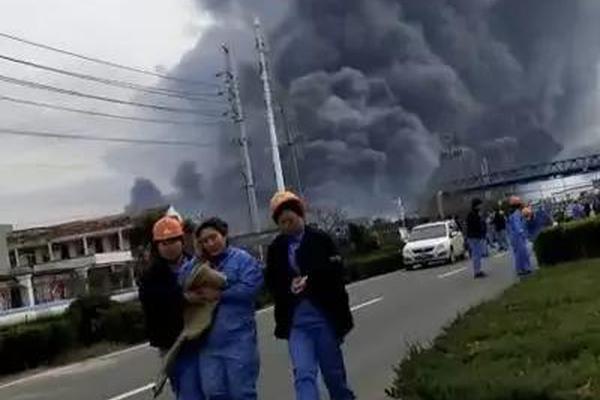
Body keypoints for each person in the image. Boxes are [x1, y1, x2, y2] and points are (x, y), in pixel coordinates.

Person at [266, 191, 355, 400]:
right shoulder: (277, 248)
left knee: (334, 376)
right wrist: (289, 285)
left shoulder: (321, 239)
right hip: (297, 324)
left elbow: (336, 271)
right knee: (303, 374)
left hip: (324, 318)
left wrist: (311, 280)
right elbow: (271, 280)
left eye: (291, 220)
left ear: (301, 216)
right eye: (282, 222)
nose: (287, 225)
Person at [195, 217, 264, 400]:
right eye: (204, 241)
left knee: (241, 393)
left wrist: (220, 294)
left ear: (224, 235)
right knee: (214, 393)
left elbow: (251, 288)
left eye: (213, 237)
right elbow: (183, 284)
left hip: (239, 341)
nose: (210, 244)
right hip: (207, 345)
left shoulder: (243, 259)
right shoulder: (199, 264)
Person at [138, 216, 205, 400]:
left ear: (182, 241)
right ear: (157, 246)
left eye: (173, 240)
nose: (169, 246)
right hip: (173, 343)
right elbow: (151, 301)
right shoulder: (151, 276)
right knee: (188, 392)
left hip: (203, 339)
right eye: (164, 242)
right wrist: (182, 298)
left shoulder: (198, 265)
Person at [507, 196, 533, 277]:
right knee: (522, 252)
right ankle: (523, 268)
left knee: (519, 253)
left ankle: (522, 268)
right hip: (517, 236)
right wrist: (521, 232)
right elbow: (518, 225)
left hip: (515, 236)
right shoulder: (516, 214)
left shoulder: (515, 213)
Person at [466, 198, 487, 279]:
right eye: (479, 205)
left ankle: (478, 270)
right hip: (474, 236)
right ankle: (477, 271)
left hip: (475, 236)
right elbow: (475, 225)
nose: (481, 206)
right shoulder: (473, 215)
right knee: (476, 254)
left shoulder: (475, 214)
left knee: (478, 254)